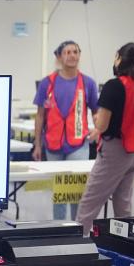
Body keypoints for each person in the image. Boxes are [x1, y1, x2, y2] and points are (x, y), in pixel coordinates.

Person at [76, 43, 134, 235]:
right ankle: (123, 241)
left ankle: (79, 242)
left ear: (119, 58)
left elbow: (102, 125)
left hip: (115, 152)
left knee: (91, 201)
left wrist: (96, 121)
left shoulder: (114, 86)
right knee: (123, 203)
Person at [32, 40, 99, 220]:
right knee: (59, 193)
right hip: (53, 144)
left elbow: (96, 111)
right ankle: (59, 228)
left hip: (78, 144)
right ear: (60, 57)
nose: (72, 55)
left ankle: (78, 228)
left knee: (77, 191)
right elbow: (40, 116)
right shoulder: (47, 83)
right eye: (67, 52)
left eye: (75, 52)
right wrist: (37, 145)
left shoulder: (88, 83)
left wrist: (98, 129)